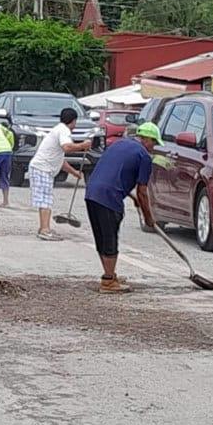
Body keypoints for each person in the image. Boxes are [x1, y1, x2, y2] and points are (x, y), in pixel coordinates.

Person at [85, 122, 161, 293]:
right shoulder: (144, 156)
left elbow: (113, 175)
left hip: (91, 193)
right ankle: (108, 282)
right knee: (110, 238)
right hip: (109, 199)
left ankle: (109, 274)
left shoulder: (118, 144)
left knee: (102, 237)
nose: (153, 147)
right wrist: (148, 216)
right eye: (154, 142)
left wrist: (130, 196)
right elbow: (143, 191)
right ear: (147, 139)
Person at [28, 108, 92, 241]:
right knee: (45, 200)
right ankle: (45, 230)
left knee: (45, 199)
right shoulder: (63, 130)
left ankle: (44, 228)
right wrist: (83, 145)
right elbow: (67, 147)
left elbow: (60, 160)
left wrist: (74, 172)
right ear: (73, 121)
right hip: (42, 168)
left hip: (42, 168)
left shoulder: (58, 129)